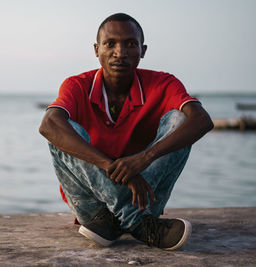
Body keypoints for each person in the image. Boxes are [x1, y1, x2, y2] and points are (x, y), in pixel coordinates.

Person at [39, 13, 213, 250]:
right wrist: (113, 167)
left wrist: (143, 159)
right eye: (110, 44)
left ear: (143, 50)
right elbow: (48, 124)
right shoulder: (77, 85)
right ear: (96, 49)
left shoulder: (164, 83)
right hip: (93, 207)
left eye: (130, 44)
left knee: (181, 119)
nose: (120, 52)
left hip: (145, 197)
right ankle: (139, 223)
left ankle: (122, 221)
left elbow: (202, 120)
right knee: (60, 128)